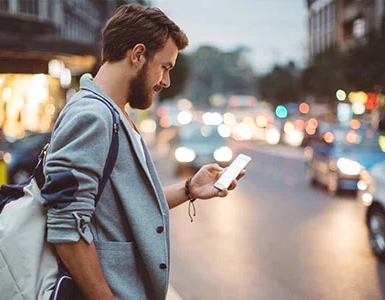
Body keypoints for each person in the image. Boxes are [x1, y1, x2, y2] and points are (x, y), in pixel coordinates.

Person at [41, 4, 246, 300]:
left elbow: (126, 207)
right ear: (137, 55)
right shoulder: (91, 115)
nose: (166, 81)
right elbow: (66, 228)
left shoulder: (114, 114)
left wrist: (190, 188)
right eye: (165, 67)